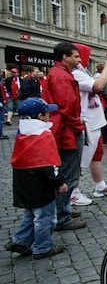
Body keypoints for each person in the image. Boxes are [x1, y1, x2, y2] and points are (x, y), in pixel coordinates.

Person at [5, 97, 67, 259]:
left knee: (30, 215)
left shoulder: (22, 133)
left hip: (24, 181)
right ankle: (42, 247)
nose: (49, 116)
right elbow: (50, 162)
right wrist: (59, 182)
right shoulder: (43, 135)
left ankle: (20, 240)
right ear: (40, 116)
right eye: (47, 113)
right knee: (44, 217)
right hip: (40, 185)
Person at [41, 41, 87, 231]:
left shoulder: (58, 73)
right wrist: (78, 125)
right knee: (68, 173)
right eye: (75, 56)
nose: (79, 59)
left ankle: (63, 208)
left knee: (66, 171)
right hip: (66, 131)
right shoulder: (61, 76)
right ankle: (62, 216)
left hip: (63, 128)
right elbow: (67, 106)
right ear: (64, 57)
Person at [71, 43, 107, 203]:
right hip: (86, 122)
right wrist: (106, 68)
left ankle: (100, 186)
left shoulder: (82, 71)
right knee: (78, 158)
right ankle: (73, 191)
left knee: (96, 155)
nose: (80, 59)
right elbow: (97, 85)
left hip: (94, 122)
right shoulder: (76, 73)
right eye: (78, 56)